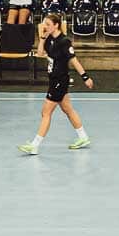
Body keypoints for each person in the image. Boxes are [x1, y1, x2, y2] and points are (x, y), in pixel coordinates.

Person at [20, 13, 93, 155]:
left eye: (48, 24)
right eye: (44, 24)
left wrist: (85, 77)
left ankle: (34, 145)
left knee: (46, 112)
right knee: (68, 109)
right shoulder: (49, 39)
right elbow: (40, 53)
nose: (45, 26)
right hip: (54, 79)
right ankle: (83, 137)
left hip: (60, 81)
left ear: (56, 25)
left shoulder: (64, 42)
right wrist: (42, 39)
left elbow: (74, 60)